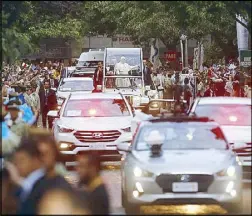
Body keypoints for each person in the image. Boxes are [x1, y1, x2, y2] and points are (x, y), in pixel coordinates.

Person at [5, 138, 46, 215]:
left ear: (35, 160)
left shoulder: (45, 183)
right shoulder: (22, 183)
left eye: (22, 160)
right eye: (16, 162)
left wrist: (18, 181)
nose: (18, 165)